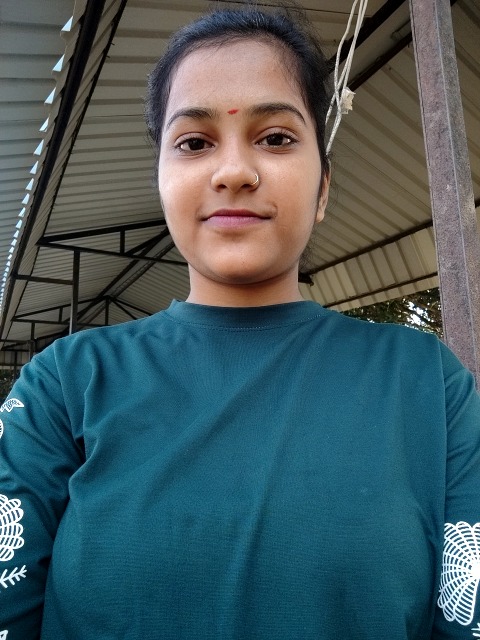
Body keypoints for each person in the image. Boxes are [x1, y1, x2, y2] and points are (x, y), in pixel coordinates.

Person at [1, 4, 480, 639]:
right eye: (194, 143)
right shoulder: (63, 385)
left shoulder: (427, 384)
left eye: (276, 137)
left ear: (323, 187)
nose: (233, 172)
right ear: (161, 182)